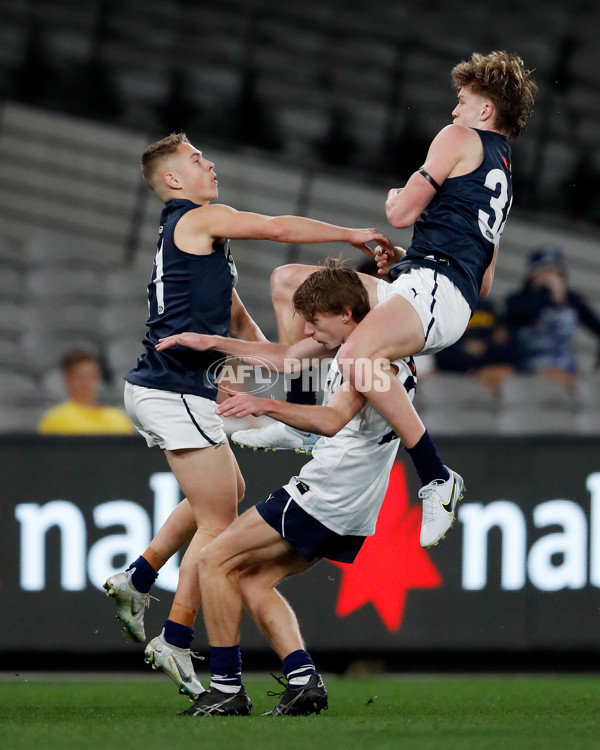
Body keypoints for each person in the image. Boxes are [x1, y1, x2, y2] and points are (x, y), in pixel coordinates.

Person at [103, 132, 393, 697]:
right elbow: (280, 229)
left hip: (177, 388)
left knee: (224, 489)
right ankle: (177, 637)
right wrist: (349, 234)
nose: (208, 163)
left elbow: (235, 319)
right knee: (220, 526)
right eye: (194, 160)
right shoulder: (196, 219)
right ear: (172, 181)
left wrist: (279, 363)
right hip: (172, 389)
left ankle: (138, 577)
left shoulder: (198, 244)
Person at [232, 51, 537, 547]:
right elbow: (482, 282)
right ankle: (303, 420)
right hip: (429, 283)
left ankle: (438, 477)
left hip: (434, 290)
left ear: (485, 112)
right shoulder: (502, 175)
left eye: (462, 102)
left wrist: (400, 195)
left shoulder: (458, 138)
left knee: (355, 355)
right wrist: (407, 263)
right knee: (290, 282)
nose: (453, 112)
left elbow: (400, 211)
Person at [155, 259, 417, 716]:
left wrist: (264, 404)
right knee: (254, 579)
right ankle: (303, 682)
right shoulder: (381, 344)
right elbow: (283, 356)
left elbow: (330, 421)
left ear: (347, 314)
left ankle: (225, 688)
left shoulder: (366, 359)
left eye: (315, 323)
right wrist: (214, 342)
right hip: (357, 501)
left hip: (328, 489)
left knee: (215, 561)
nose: (311, 334)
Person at [504, 244, 600, 387]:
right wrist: (543, 293)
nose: (550, 278)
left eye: (555, 273)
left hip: (566, 374)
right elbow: (526, 314)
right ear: (531, 276)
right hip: (528, 374)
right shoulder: (517, 300)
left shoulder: (572, 301)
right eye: (544, 273)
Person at [37, 348, 135, 435]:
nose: (86, 382)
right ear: (67, 379)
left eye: (91, 376)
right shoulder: (54, 419)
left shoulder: (118, 418)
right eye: (80, 377)